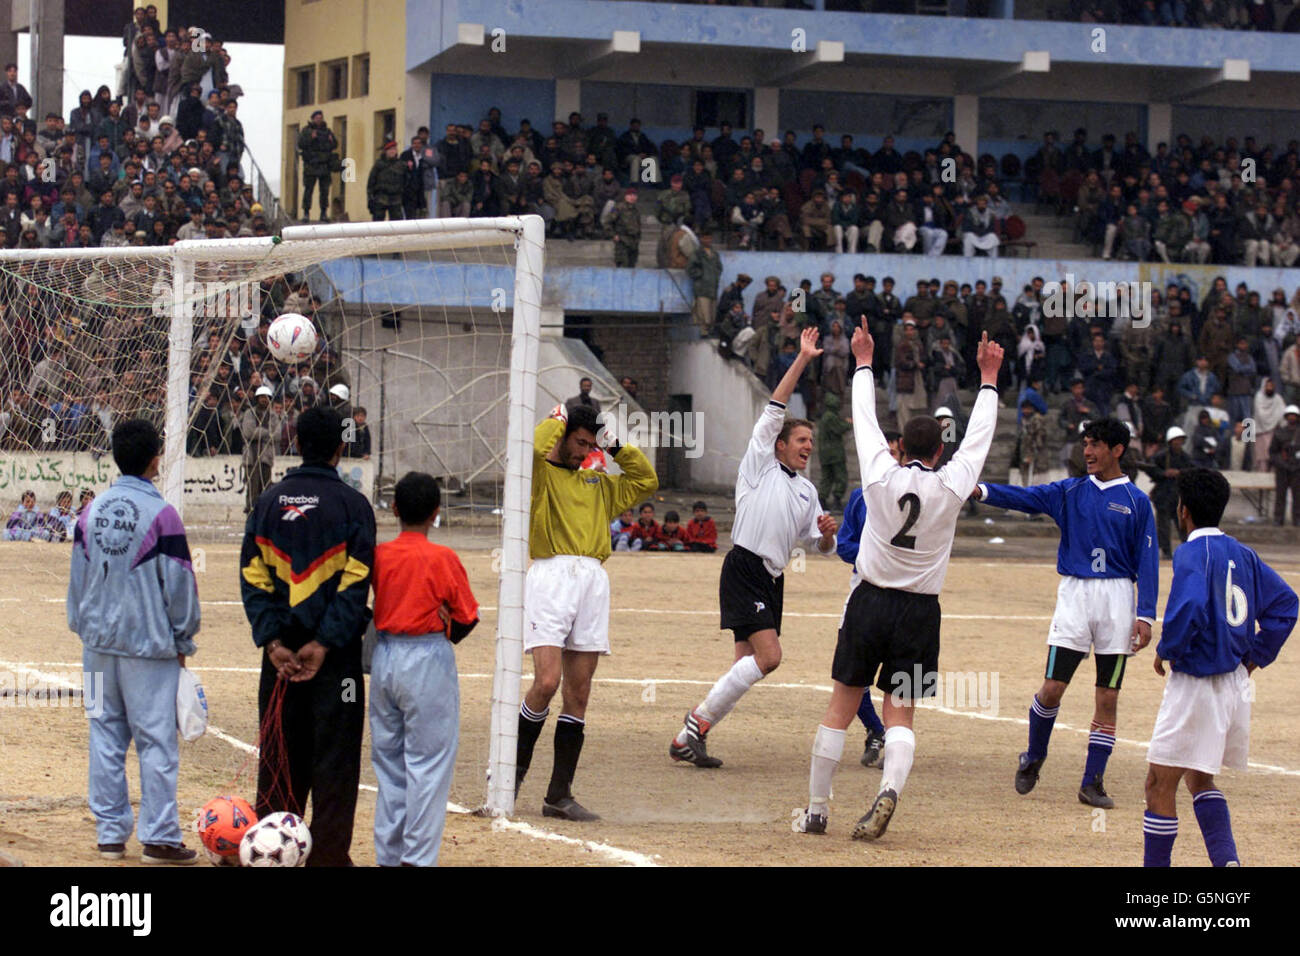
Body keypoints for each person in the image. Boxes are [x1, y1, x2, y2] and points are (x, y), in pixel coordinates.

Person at [796, 327, 1001, 840]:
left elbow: (864, 421)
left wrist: (864, 362)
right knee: (901, 711)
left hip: (868, 602)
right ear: (940, 452)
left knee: (842, 704)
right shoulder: (954, 484)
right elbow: (979, 438)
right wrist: (989, 378)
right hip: (919, 612)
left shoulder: (880, 476)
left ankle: (818, 810)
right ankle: (889, 790)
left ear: (903, 445)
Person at [671, 328, 838, 769]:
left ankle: (687, 738)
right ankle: (696, 723)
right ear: (779, 444)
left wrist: (826, 533)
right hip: (744, 567)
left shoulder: (807, 490)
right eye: (801, 441)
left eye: (810, 443)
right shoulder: (759, 464)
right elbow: (776, 406)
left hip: (772, 578)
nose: (807, 447)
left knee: (745, 666)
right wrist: (802, 359)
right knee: (770, 658)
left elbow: (820, 546)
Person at [972, 418, 1158, 809]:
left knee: (1108, 696)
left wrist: (1146, 614)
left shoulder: (1138, 502)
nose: (1087, 451)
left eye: (1095, 445)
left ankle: (1092, 782)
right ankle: (1034, 754)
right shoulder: (1070, 491)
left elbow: (1149, 560)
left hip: (1118, 598)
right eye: (1085, 444)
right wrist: (982, 490)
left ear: (1118, 450)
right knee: (1053, 688)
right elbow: (1024, 498)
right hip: (1075, 595)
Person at [239, 407, 376, 866]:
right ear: (342, 447)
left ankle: (274, 854)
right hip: (335, 661)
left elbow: (252, 576)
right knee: (336, 761)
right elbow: (356, 581)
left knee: (279, 755)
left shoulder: (267, 501)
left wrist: (274, 643)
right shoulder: (355, 506)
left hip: (279, 660)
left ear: (295, 442)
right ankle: (329, 856)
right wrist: (324, 643)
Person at [1144, 468, 1297, 867]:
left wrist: (1166, 647)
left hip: (1197, 682)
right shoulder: (1243, 554)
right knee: (1200, 777)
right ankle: (1226, 862)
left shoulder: (1191, 552)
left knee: (1159, 783)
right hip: (1233, 682)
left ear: (1183, 511)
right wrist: (1255, 657)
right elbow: (1287, 606)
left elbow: (1191, 605)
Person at [514, 403, 657, 820]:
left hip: (593, 580)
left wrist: (611, 446)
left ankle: (558, 795)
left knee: (578, 693)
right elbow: (532, 448)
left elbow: (646, 479)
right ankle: (509, 778)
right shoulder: (539, 476)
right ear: (561, 437)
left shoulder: (598, 482)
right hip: (551, 574)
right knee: (546, 682)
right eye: (580, 443)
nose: (585, 452)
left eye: (591, 445)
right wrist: (557, 420)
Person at [68, 419, 201, 863]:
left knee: (103, 735)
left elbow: (77, 581)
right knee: (155, 740)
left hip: (97, 647)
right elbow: (180, 585)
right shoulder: (162, 515)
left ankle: (110, 835)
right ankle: (160, 837)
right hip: (148, 648)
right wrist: (183, 637)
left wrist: (84, 628)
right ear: (155, 459)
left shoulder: (89, 512)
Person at [369, 472, 479, 867]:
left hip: (384, 656)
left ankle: (388, 856)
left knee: (389, 765)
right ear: (436, 513)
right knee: (428, 765)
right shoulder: (444, 558)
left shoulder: (378, 554)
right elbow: (467, 618)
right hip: (428, 657)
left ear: (394, 509)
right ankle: (416, 859)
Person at [833, 429, 903, 770]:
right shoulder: (861, 497)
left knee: (906, 676)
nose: (890, 459)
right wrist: (873, 555)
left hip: (909, 599)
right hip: (864, 591)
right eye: (885, 453)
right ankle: (878, 730)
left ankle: (898, 737)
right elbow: (843, 545)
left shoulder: (917, 496)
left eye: (896, 453)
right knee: (849, 670)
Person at [1143, 426, 1193, 559]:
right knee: (1163, 527)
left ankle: (1186, 550)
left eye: (1180, 440)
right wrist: (1164, 473)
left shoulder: (1185, 457)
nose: (1178, 443)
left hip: (1178, 497)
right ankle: (1166, 552)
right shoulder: (1161, 456)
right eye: (1176, 440)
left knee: (1182, 526)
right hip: (1164, 495)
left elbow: (1192, 471)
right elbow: (1151, 469)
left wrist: (1180, 473)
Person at [240, 385, 278, 515]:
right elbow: (248, 432)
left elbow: (277, 435)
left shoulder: (273, 416)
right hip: (251, 457)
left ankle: (264, 513)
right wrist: (266, 433)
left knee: (266, 488)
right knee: (252, 488)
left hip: (266, 458)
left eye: (266, 397)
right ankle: (251, 513)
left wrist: (259, 433)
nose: (264, 400)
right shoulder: (249, 413)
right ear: (257, 398)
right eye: (261, 397)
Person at [297, 110, 339, 222]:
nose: (319, 120)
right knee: (308, 190)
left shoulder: (327, 131)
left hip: (324, 165)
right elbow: (301, 144)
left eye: (320, 118)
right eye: (317, 118)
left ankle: (324, 213)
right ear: (313, 119)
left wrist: (332, 141)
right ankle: (306, 213)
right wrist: (311, 137)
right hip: (311, 166)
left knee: (324, 191)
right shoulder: (306, 131)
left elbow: (335, 145)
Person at [817, 391, 851, 511]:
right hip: (835, 453)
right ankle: (836, 500)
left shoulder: (826, 416)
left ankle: (822, 499)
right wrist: (848, 424)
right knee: (840, 477)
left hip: (825, 453)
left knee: (827, 477)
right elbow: (838, 429)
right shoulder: (831, 417)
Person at [1270, 405, 1300, 526]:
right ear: (1286, 417)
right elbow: (1272, 452)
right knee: (1280, 495)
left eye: (1294, 415)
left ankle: (1297, 519)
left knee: (1298, 496)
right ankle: (1278, 518)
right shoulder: (1279, 433)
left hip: (1297, 469)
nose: (1292, 418)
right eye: (1290, 415)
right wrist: (1282, 464)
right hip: (1282, 469)